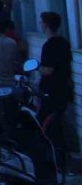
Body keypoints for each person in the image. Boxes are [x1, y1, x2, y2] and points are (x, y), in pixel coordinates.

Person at [38, 11, 73, 169]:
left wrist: (39, 68)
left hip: (51, 91)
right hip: (64, 89)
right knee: (58, 123)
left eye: (42, 22)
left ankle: (52, 159)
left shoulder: (49, 45)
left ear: (45, 24)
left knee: (45, 124)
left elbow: (48, 70)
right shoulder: (64, 43)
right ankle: (62, 158)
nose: (41, 25)